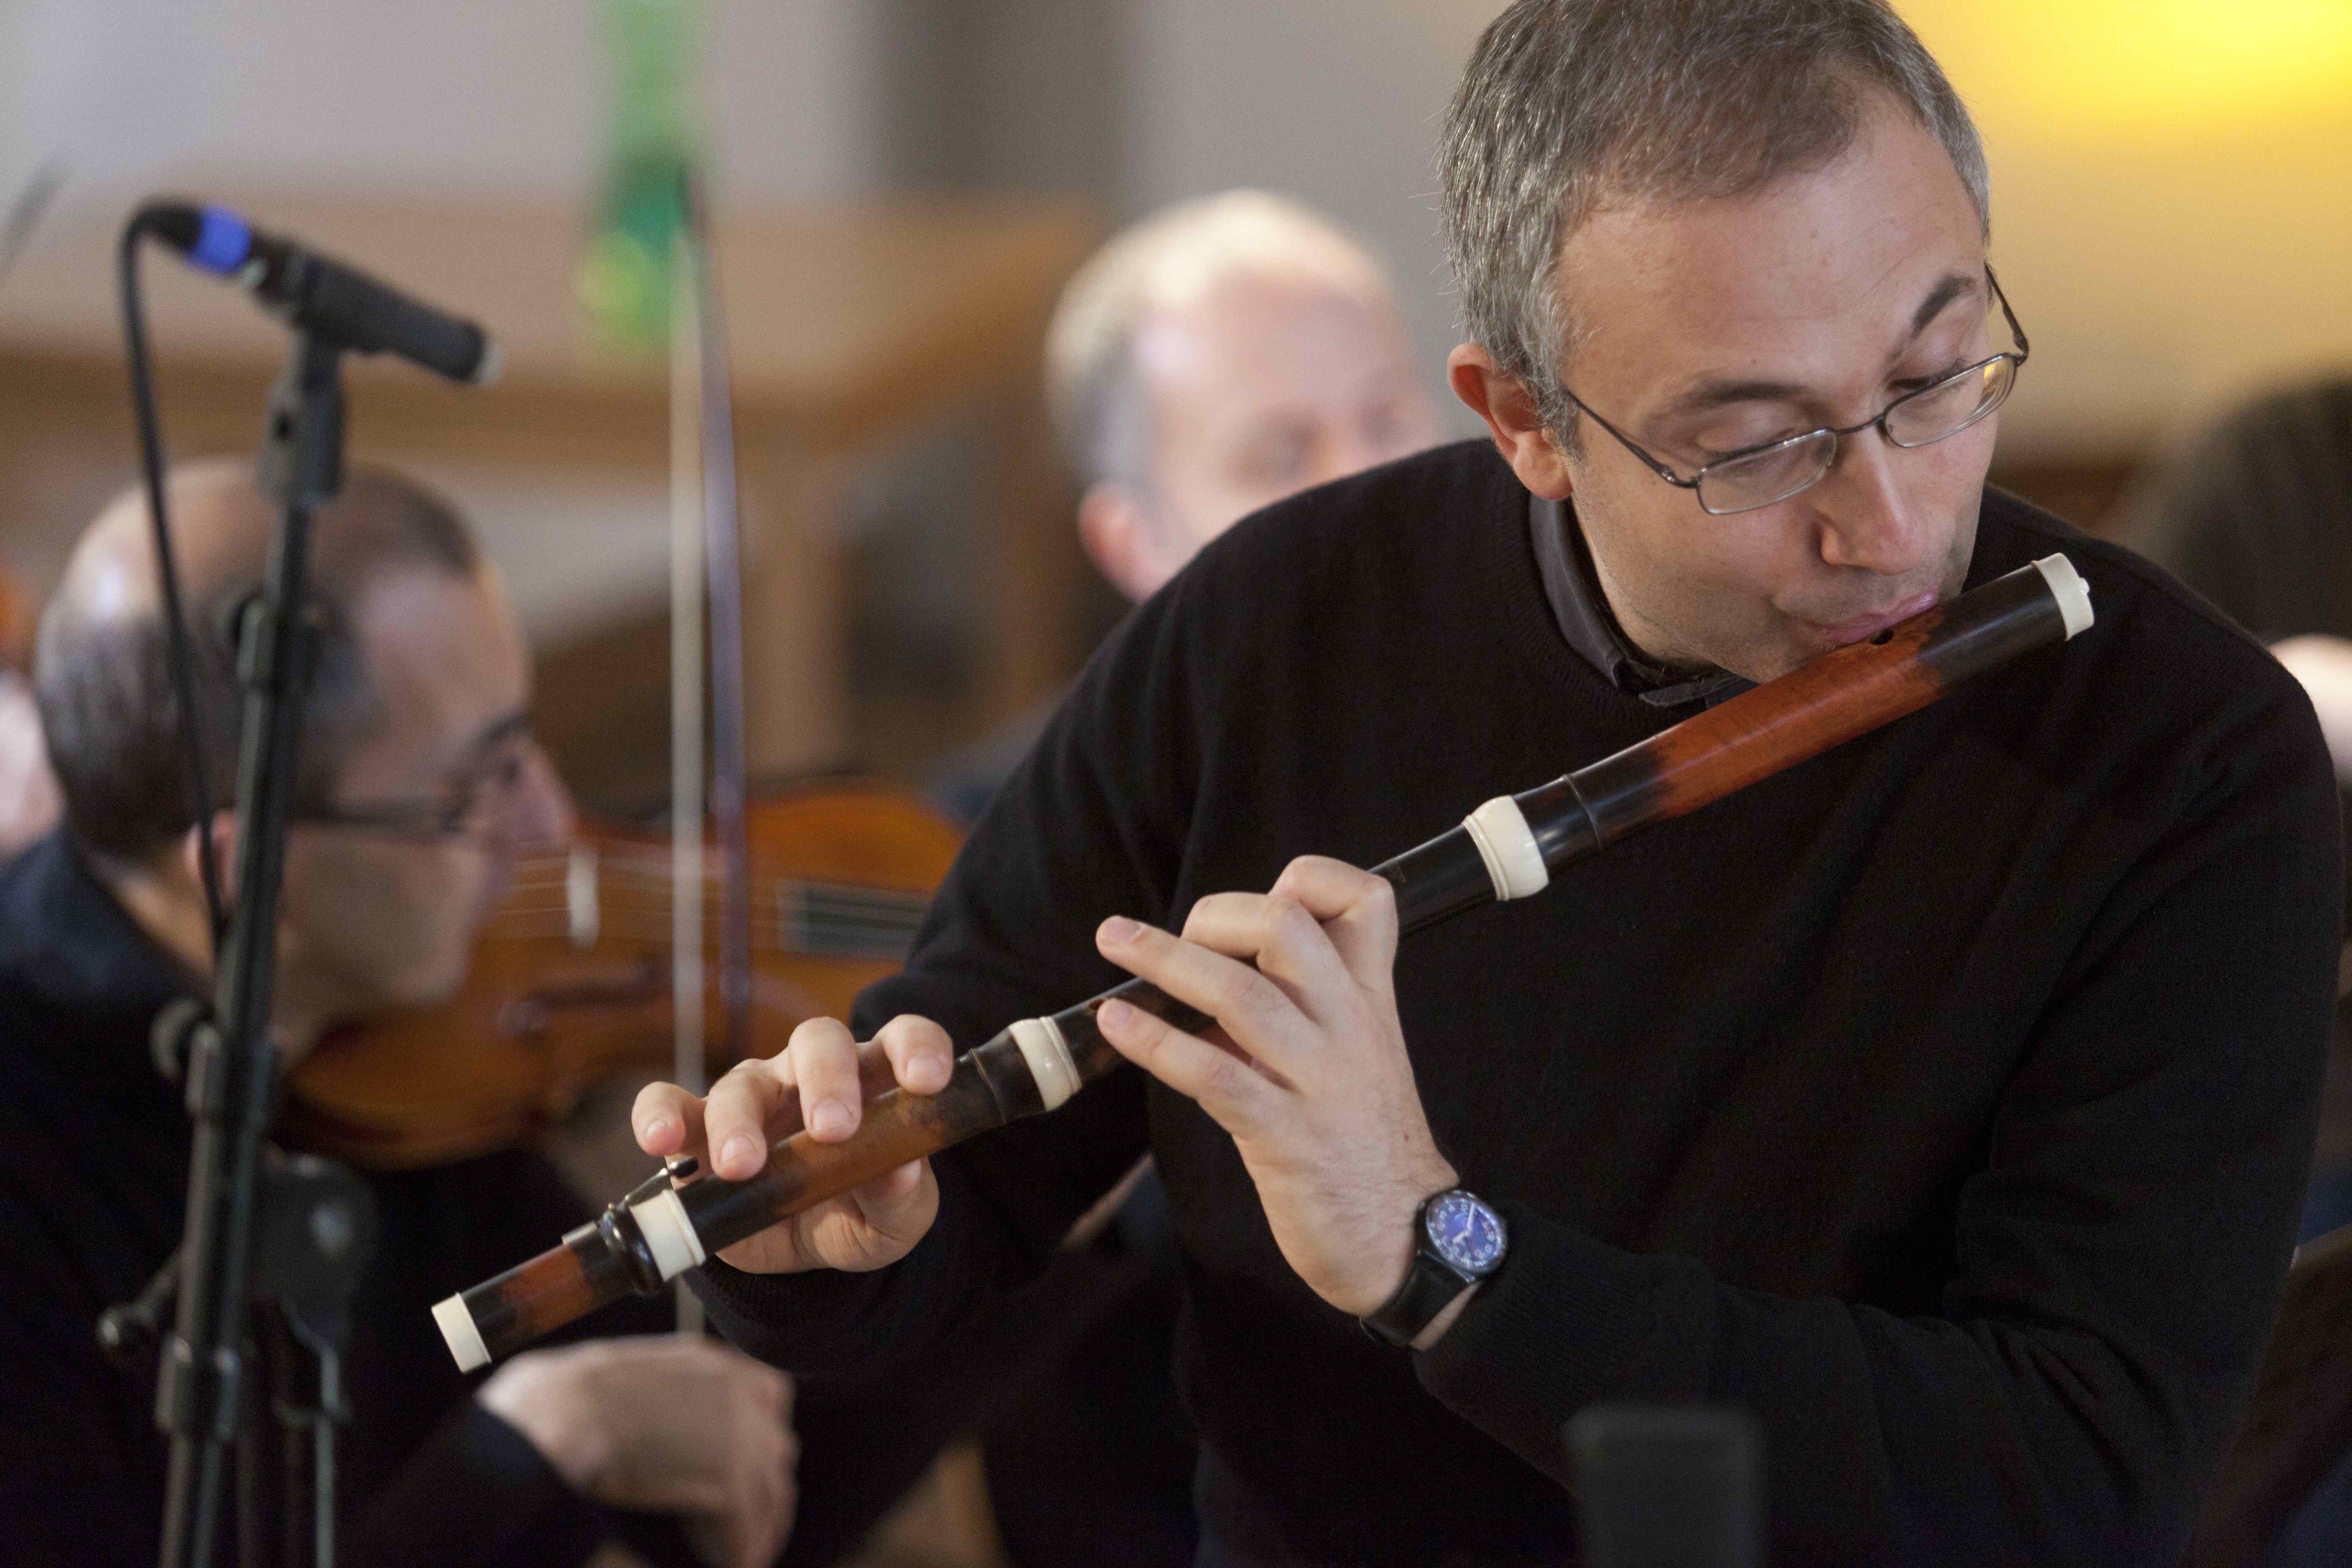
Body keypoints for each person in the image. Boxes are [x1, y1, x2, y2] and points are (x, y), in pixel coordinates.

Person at [634, 2, 2340, 1562]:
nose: (1888, 526)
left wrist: (1444, 1256)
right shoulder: (1271, 631)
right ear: (1522, 418)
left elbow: (2072, 1475)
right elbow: (968, 1215)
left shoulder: (2190, 759)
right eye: (1753, 443)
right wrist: (838, 1250)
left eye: (1934, 375)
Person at [0, 460, 796, 1568]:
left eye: (530, 751)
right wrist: (532, 1449)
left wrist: (1042, 1185)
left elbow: (737, 1471)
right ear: (243, 869)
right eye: (473, 793)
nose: (552, 831)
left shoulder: (385, 1050)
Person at [934, 189, 1441, 825]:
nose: (1369, 478)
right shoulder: (1012, 833)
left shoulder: (1574, 693)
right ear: (1134, 542)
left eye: (1386, 419)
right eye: (1279, 457)